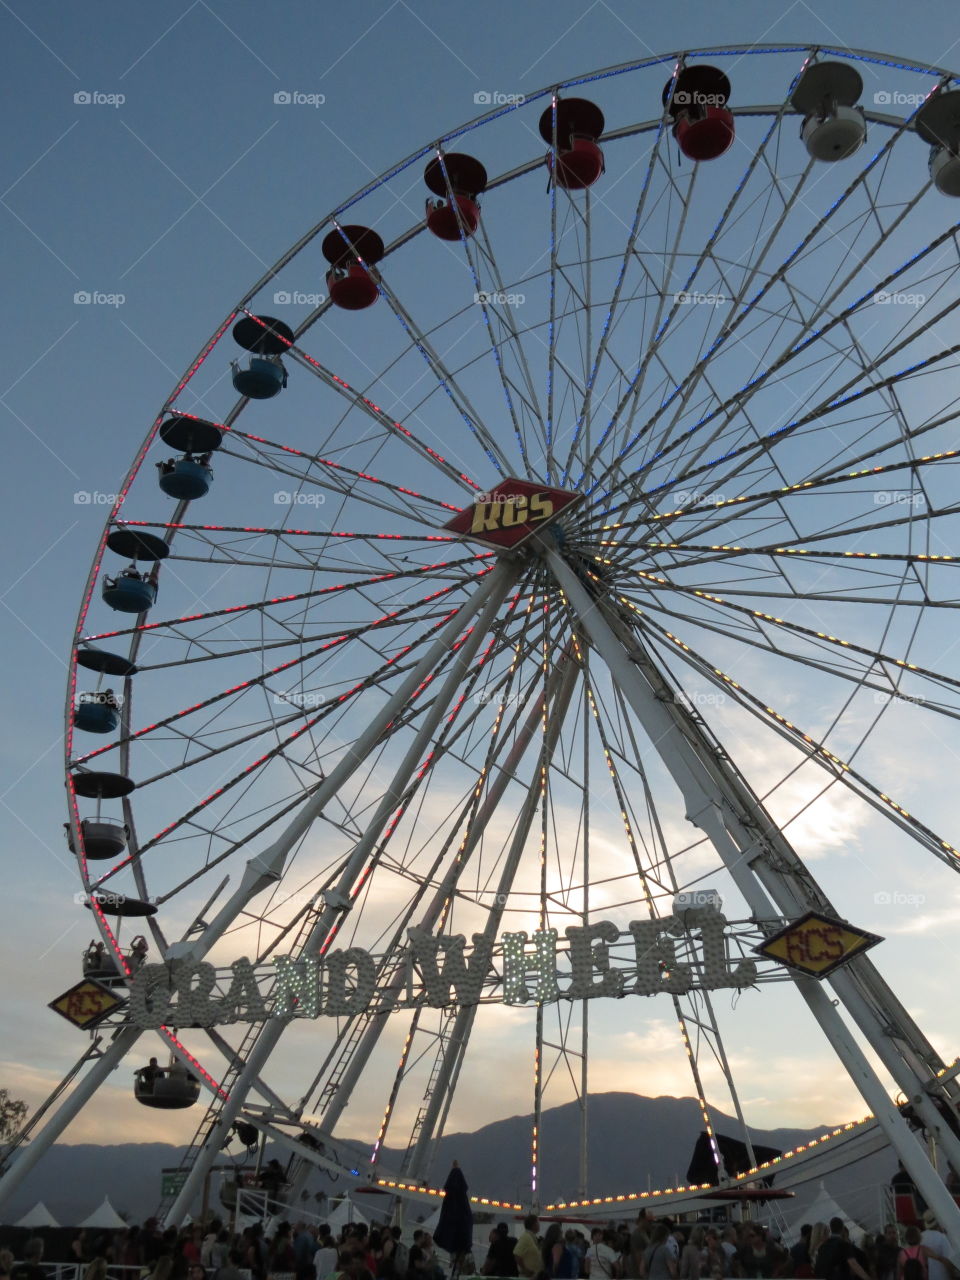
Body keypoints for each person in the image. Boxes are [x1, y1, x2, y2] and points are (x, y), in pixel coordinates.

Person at [920, 1211, 957, 1280]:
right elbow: (949, 1261)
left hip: (929, 1276)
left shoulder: (921, 1236)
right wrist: (953, 1276)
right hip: (943, 1276)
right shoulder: (941, 1237)